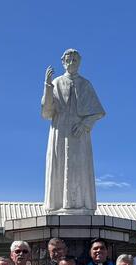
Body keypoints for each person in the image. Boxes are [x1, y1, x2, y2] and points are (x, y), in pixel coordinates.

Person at [42, 48, 105, 214]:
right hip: (60, 130)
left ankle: (79, 205)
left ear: (79, 62)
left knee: (79, 165)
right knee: (59, 163)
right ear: (63, 62)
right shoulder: (56, 82)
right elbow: (47, 112)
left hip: (78, 133)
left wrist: (85, 124)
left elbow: (98, 111)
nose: (71, 63)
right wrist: (47, 86)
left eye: (75, 60)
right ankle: (56, 205)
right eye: (68, 60)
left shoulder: (85, 84)